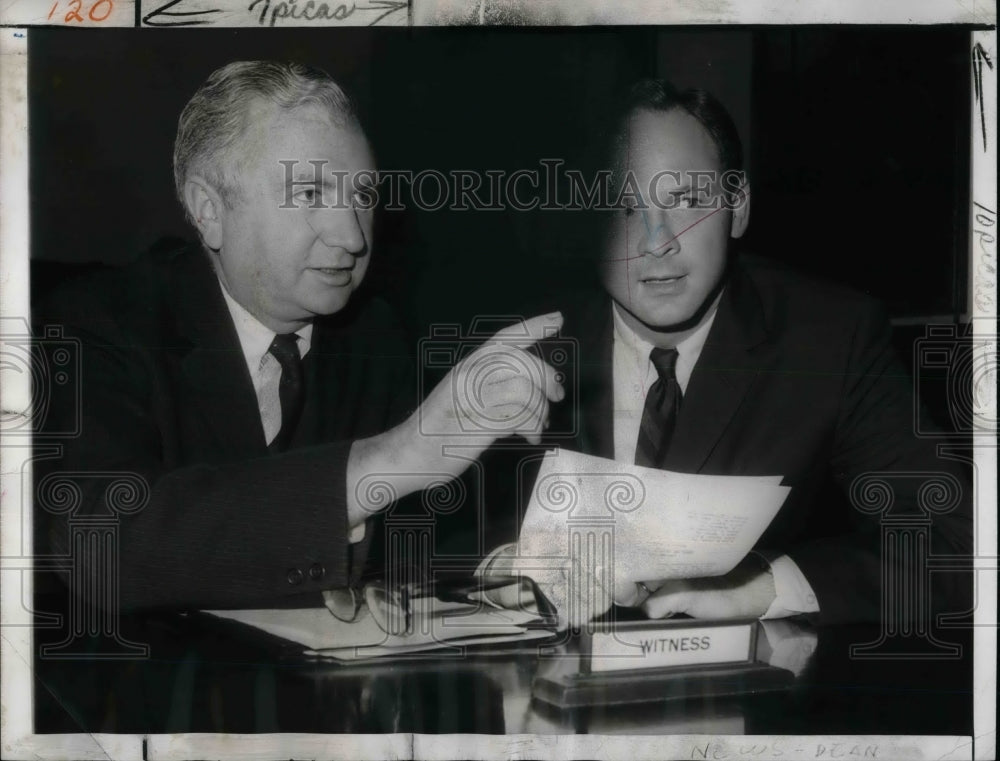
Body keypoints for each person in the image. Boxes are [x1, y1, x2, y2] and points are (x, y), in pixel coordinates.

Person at [33, 60, 564, 611]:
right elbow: (102, 547)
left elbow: (419, 539)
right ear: (209, 210)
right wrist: (390, 458)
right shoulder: (89, 324)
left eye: (363, 196)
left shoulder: (372, 335)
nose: (353, 236)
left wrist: (505, 570)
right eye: (310, 193)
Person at [482, 79, 972, 626]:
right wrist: (504, 569)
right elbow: (415, 530)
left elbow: (956, 544)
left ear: (736, 207)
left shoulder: (832, 338)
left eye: (686, 200)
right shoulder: (523, 339)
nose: (655, 240)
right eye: (619, 205)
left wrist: (759, 588)